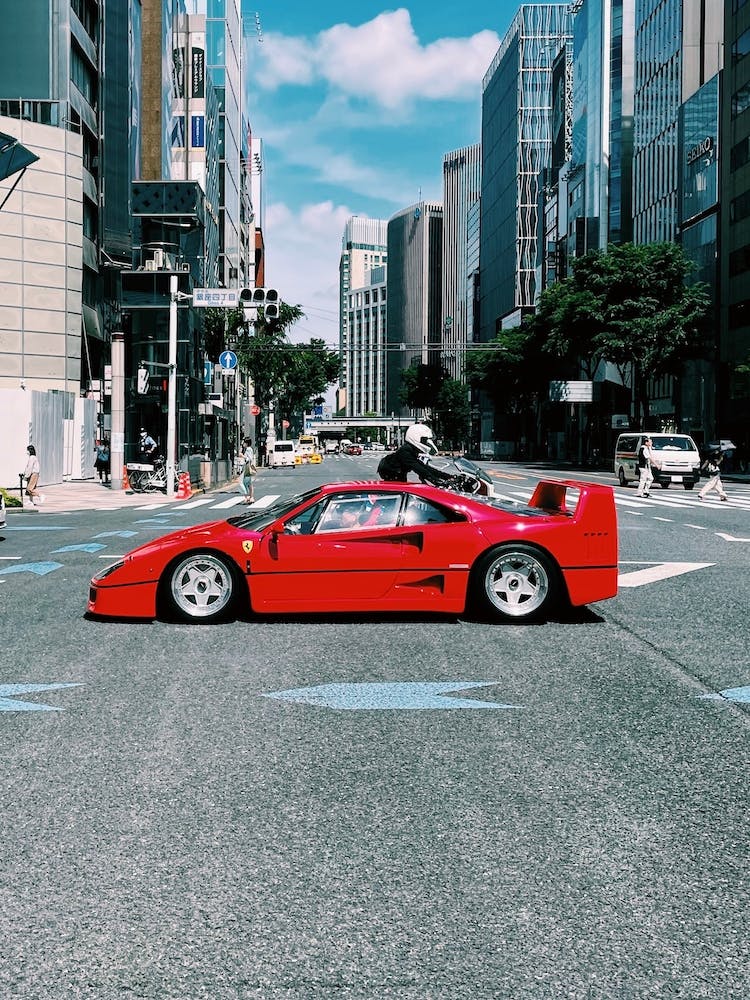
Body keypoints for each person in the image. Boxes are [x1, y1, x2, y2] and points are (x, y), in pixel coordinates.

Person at [377, 423, 457, 488]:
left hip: (398, 475)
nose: (425, 442)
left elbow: (425, 468)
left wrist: (449, 477)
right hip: (392, 476)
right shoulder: (405, 451)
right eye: (424, 440)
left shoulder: (411, 450)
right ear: (415, 437)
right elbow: (419, 470)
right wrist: (437, 481)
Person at [238, 438, 257, 504]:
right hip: (247, 467)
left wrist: (242, 456)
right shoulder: (248, 449)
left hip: (247, 467)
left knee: (244, 483)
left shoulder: (248, 449)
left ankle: (248, 497)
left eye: (244, 443)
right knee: (248, 483)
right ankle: (250, 497)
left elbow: (249, 459)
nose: (243, 444)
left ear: (247, 443)